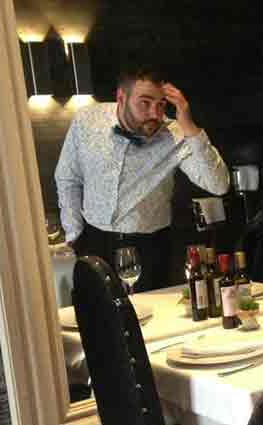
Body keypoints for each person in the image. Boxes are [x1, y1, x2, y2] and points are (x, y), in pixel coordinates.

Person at [55, 64, 229, 292]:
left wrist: (189, 125)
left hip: (149, 249)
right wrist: (74, 234)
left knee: (148, 314)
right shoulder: (86, 120)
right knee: (95, 312)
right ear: (121, 97)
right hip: (93, 242)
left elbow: (219, 185)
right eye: (145, 103)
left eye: (161, 104)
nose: (155, 114)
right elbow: (67, 177)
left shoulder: (176, 134)